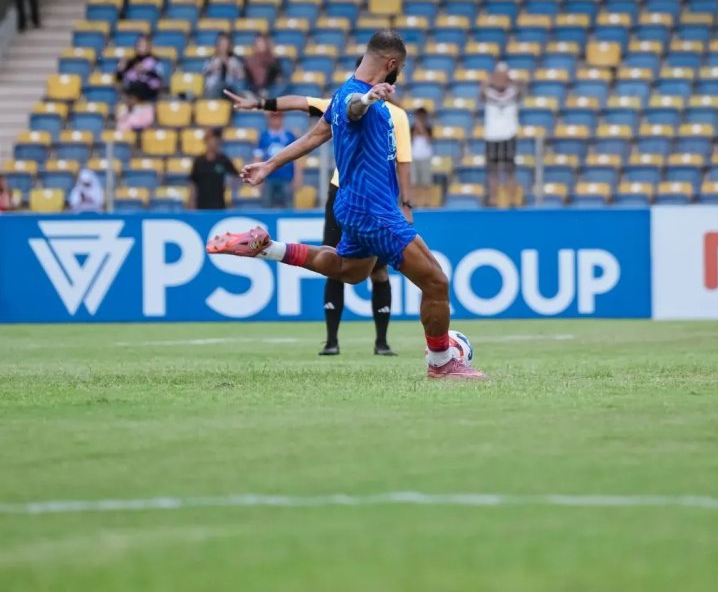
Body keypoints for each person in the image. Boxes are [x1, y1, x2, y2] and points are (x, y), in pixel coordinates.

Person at [207, 29, 487, 380]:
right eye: (399, 69)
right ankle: (442, 363)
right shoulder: (356, 98)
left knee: (350, 270)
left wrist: (269, 165)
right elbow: (356, 108)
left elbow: (313, 136)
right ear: (391, 64)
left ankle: (267, 248)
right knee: (436, 282)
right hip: (373, 209)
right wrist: (368, 99)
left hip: (351, 205)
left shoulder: (340, 94)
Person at [225, 73, 413, 357]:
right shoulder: (356, 104)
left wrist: (261, 103)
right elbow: (301, 103)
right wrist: (260, 104)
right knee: (356, 266)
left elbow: (301, 103)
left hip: (356, 197)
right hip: (364, 198)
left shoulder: (373, 109)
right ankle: (347, 342)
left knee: (352, 266)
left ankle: (366, 342)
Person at [482, 62, 520, 207]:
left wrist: (510, 80)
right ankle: (493, 198)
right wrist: (490, 81)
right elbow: (481, 93)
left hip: (509, 134)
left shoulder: (513, 91)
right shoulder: (488, 92)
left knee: (510, 169)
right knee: (493, 170)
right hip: (492, 135)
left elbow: (520, 91)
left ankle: (511, 198)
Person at [255, 111, 301, 208]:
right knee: (267, 206)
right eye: (273, 117)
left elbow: (296, 159)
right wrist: (258, 178)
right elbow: (258, 157)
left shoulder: (289, 136)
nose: (276, 120)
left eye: (278, 117)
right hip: (268, 178)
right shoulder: (263, 137)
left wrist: (297, 178)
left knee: (288, 207)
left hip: (286, 178)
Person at [189, 129, 239, 210]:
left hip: (219, 204)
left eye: (217, 140)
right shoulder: (199, 161)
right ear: (206, 141)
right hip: (201, 205)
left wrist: (231, 195)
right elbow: (193, 183)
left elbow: (236, 176)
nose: (214, 143)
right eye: (212, 139)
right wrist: (191, 202)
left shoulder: (223, 160)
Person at [116, 34, 162, 102]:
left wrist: (145, 71)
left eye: (143, 45)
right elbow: (119, 78)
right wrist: (121, 70)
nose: (141, 48)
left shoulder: (155, 60)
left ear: (149, 47)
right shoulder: (131, 61)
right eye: (139, 45)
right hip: (131, 89)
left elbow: (159, 77)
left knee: (137, 86)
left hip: (148, 91)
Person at [203, 32, 247, 99]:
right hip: (213, 90)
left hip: (230, 89)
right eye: (221, 44)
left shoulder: (234, 61)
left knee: (235, 88)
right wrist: (213, 68)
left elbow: (242, 76)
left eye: (225, 44)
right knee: (219, 86)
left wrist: (234, 70)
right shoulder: (211, 60)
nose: (223, 47)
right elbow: (204, 74)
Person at [410, 107, 434, 208]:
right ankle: (415, 202)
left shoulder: (429, 128)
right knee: (414, 182)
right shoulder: (412, 128)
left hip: (425, 157)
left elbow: (429, 141)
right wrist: (416, 129)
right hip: (414, 157)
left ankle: (426, 202)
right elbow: (410, 141)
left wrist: (422, 129)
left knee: (426, 182)